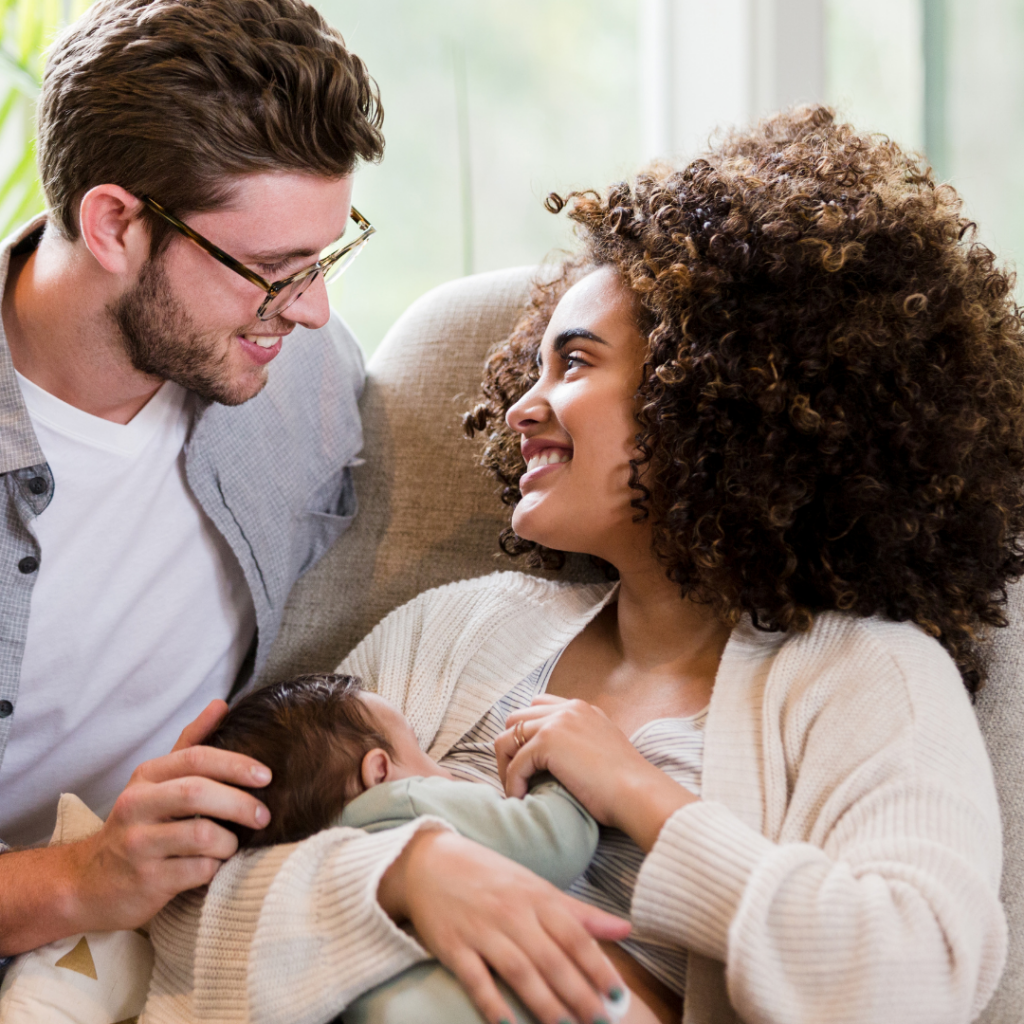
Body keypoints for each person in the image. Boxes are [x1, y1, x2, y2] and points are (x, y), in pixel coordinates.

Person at [144, 106, 1024, 1024]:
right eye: (535, 364)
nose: (522, 406)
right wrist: (403, 872)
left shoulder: (868, 674)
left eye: (574, 362)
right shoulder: (465, 627)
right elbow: (181, 898)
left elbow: (919, 981)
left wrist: (640, 795)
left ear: (717, 391)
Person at [0, 0, 383, 965]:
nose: (312, 311)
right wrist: (79, 880)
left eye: (324, 257)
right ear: (116, 224)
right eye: (271, 268)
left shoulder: (305, 379)